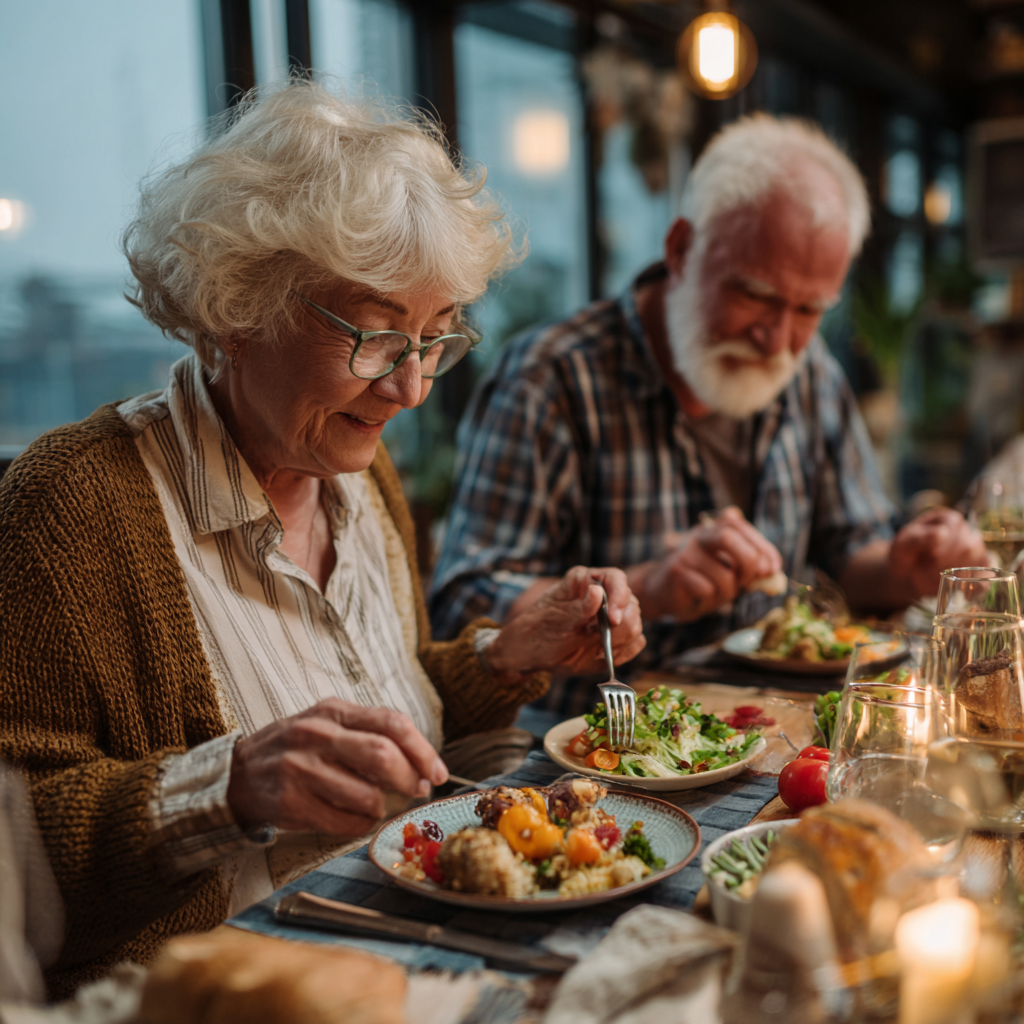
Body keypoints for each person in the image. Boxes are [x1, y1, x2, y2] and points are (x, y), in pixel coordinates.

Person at [0, 83, 644, 995]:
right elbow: (12, 862)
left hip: (427, 959)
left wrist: (503, 658)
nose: (412, 388)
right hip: (228, 1000)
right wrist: (227, 787)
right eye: (378, 336)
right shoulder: (77, 505)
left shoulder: (360, 472)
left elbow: (391, 725)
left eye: (435, 339)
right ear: (238, 308)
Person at [431, 114, 986, 665]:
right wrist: (647, 587)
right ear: (680, 249)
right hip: (590, 740)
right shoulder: (549, 379)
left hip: (770, 725)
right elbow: (464, 606)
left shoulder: (811, 372)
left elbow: (851, 551)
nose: (778, 340)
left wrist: (904, 568)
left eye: (809, 309)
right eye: (755, 294)